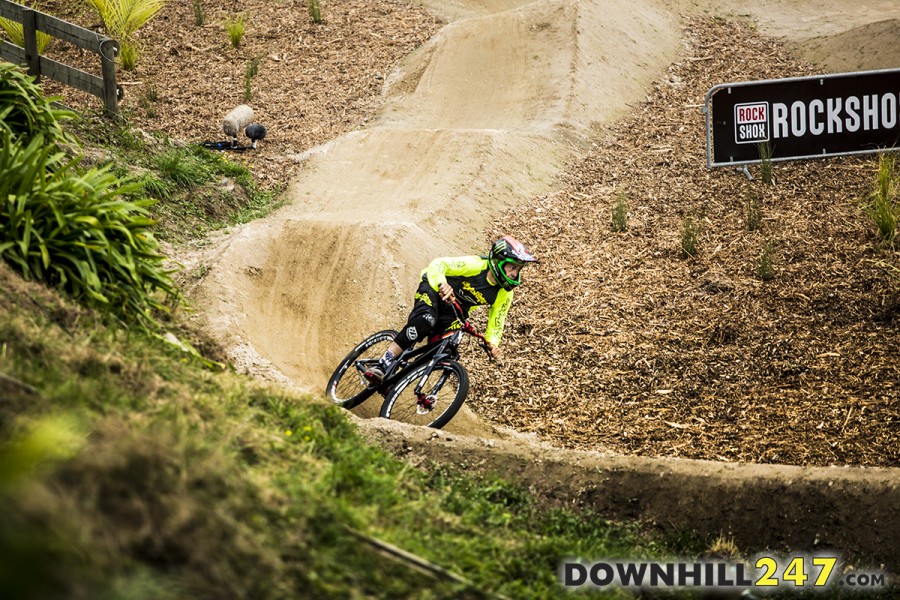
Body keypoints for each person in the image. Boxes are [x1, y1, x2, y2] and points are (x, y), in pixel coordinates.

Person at [364, 235, 539, 383]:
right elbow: (438, 264)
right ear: (498, 262)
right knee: (426, 320)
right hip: (434, 290)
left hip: (455, 309)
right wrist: (442, 283)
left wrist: (493, 344)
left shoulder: (504, 294)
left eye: (519, 270)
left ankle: (399, 382)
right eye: (512, 267)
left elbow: (497, 321)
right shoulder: (476, 265)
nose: (515, 274)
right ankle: (383, 363)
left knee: (447, 349)